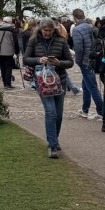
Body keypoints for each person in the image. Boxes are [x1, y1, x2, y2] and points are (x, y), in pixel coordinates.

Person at [24, 18, 74, 158]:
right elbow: (26, 59)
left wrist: (58, 62)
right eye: (45, 30)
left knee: (58, 113)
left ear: (54, 30)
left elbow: (70, 62)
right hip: (42, 80)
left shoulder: (61, 41)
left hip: (59, 80)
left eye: (50, 31)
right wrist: (38, 60)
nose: (47, 33)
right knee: (50, 112)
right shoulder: (34, 41)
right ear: (40, 29)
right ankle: (52, 145)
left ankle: (54, 139)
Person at [71, 8, 103, 120]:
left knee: (92, 86)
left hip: (85, 61)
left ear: (74, 17)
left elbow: (79, 48)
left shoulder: (77, 29)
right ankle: (85, 109)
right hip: (93, 59)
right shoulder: (91, 27)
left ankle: (101, 110)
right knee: (86, 85)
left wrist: (78, 61)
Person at [0, 16, 19, 88]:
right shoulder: (11, 29)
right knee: (8, 67)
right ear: (10, 22)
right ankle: (8, 83)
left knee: (2, 67)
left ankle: (4, 82)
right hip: (9, 51)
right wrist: (17, 51)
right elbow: (15, 41)